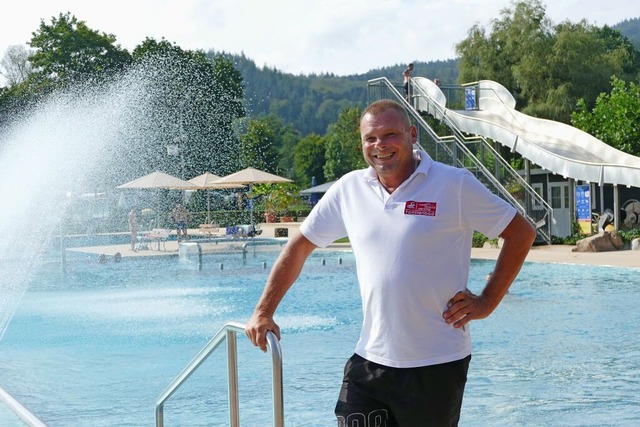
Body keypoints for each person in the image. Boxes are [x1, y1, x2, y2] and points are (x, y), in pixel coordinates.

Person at [245, 99, 536, 426]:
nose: (380, 145)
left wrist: (487, 301)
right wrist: (264, 310)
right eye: (371, 138)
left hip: (436, 364)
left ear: (412, 134)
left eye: (390, 135)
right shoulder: (349, 190)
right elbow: (298, 247)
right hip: (369, 360)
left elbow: (521, 233)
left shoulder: (453, 184)